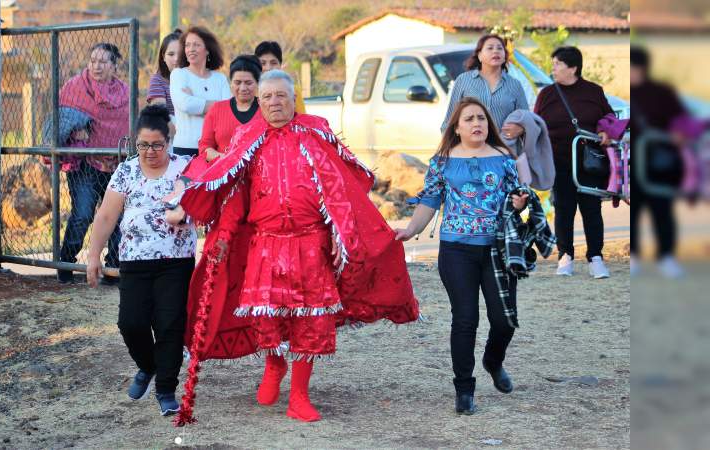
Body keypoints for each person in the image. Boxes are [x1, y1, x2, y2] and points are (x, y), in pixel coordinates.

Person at [167, 70, 419, 423]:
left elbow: (337, 190)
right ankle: (274, 365)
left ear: (293, 98)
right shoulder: (248, 139)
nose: (274, 103)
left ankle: (300, 395)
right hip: (265, 245)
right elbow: (236, 197)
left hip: (311, 244)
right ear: (259, 101)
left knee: (312, 320)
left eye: (281, 96)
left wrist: (337, 232)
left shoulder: (315, 133)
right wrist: (222, 237)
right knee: (265, 318)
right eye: (267, 97)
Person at [396, 97, 528, 415]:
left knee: (504, 320)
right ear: (457, 127)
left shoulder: (504, 158)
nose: (476, 123)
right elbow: (430, 199)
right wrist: (411, 230)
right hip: (457, 250)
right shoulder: (442, 160)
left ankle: (493, 361)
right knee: (465, 319)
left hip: (497, 251)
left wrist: (520, 205)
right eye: (468, 119)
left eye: (481, 118)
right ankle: (464, 390)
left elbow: (517, 196)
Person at [85, 105, 197, 416]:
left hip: (176, 260)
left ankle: (165, 389)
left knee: (170, 324)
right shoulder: (126, 171)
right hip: (134, 261)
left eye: (156, 145)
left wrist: (186, 213)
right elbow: (107, 215)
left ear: (168, 140)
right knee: (130, 323)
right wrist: (94, 254)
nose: (149, 151)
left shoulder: (185, 168)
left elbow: (200, 208)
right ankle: (148, 366)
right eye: (143, 145)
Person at [534, 46, 614, 278]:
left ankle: (595, 257)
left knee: (591, 209)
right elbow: (537, 124)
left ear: (573, 68)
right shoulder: (547, 94)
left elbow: (608, 118)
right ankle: (565, 256)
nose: (553, 68)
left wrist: (606, 132)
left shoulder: (593, 91)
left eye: (557, 64)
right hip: (558, 160)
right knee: (564, 209)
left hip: (589, 161)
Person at [56, 42, 129, 285]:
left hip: (116, 164)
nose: (96, 66)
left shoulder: (125, 93)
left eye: (103, 61)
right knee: (82, 214)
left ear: (114, 66)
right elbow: (62, 119)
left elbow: (128, 126)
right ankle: (65, 262)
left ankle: (112, 267)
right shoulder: (75, 87)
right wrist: (76, 128)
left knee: (118, 217)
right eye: (93, 60)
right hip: (85, 162)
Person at [630, 46, 688, 278]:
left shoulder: (662, 92)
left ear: (643, 68)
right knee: (634, 210)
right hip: (633, 162)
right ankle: (633, 255)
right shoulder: (627, 94)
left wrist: (679, 134)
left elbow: (682, 119)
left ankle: (666, 255)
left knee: (662, 208)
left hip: (659, 162)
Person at [440, 34, 528, 141]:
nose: (495, 51)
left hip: (505, 150)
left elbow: (527, 119)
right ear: (479, 55)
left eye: (500, 48)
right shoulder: (463, 80)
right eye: (490, 48)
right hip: (470, 151)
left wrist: (521, 128)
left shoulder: (515, 85)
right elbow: (450, 120)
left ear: (505, 56)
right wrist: (451, 149)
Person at [170, 26, 232, 157]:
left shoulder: (220, 79)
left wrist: (195, 100)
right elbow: (185, 104)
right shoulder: (179, 74)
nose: (191, 49)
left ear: (208, 50)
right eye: (187, 45)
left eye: (196, 45)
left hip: (215, 150)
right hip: (185, 149)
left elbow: (228, 111)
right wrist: (216, 107)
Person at [196, 54, 261, 169]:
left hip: (259, 175)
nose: (242, 88)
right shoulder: (217, 109)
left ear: (258, 83)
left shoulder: (266, 110)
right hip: (223, 175)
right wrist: (225, 158)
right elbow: (205, 147)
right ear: (231, 83)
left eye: (248, 83)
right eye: (237, 82)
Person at [147, 28, 182, 137]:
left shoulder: (196, 78)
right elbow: (162, 118)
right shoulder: (157, 80)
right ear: (163, 57)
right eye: (171, 54)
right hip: (170, 140)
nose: (176, 59)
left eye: (180, 54)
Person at [254, 41, 306, 114]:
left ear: (280, 65)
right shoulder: (251, 91)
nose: (268, 68)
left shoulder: (292, 90)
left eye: (273, 63)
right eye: (263, 63)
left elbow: (302, 119)